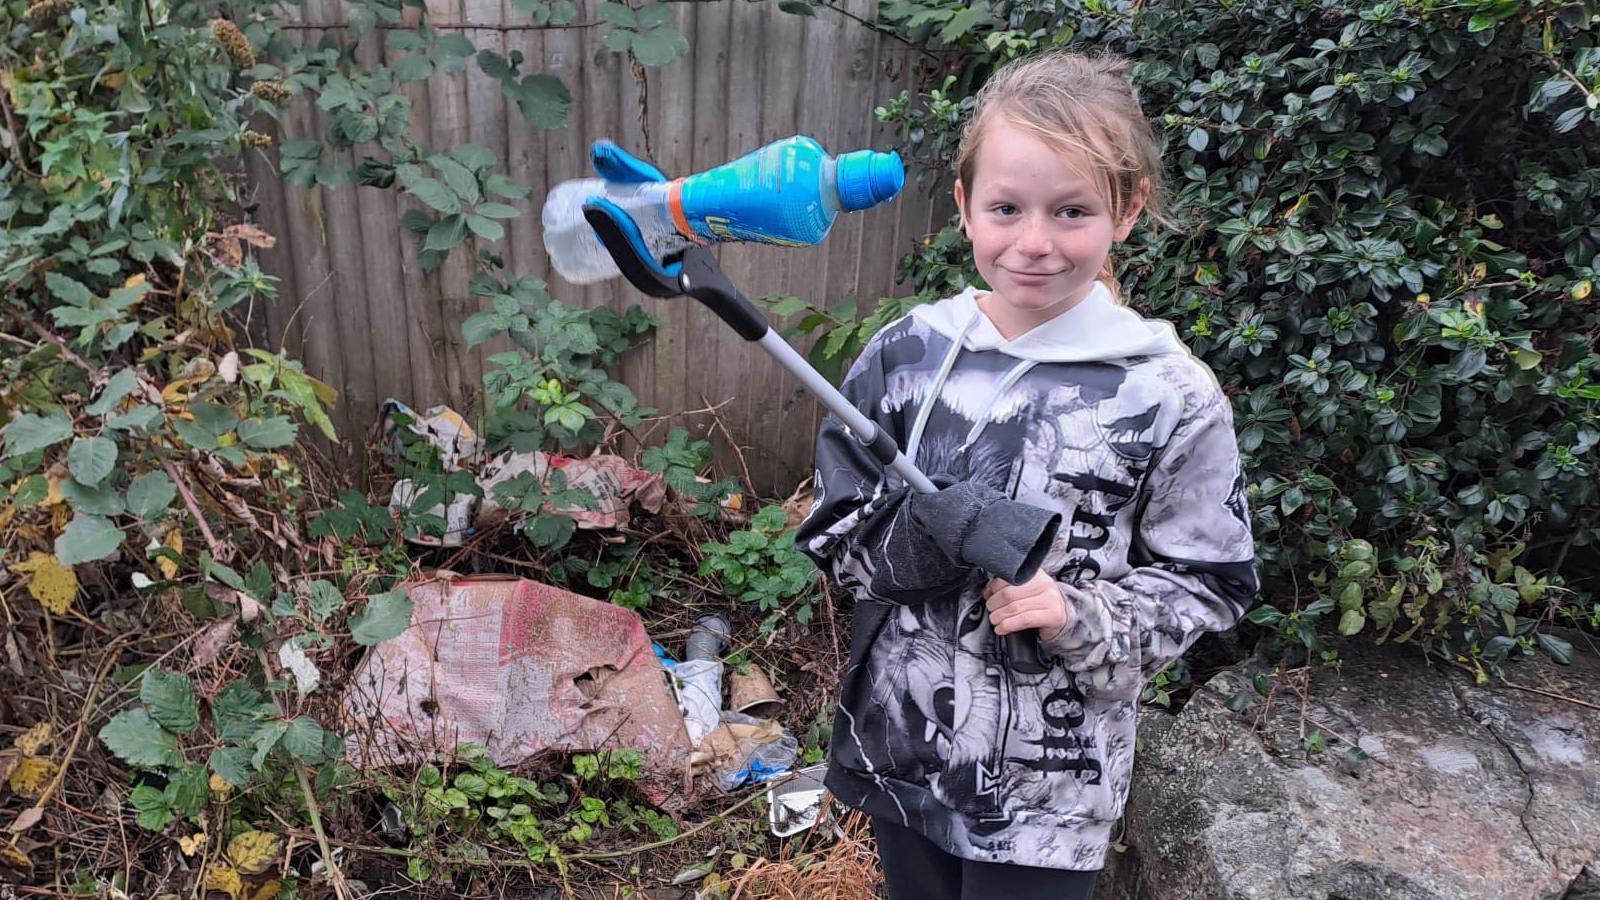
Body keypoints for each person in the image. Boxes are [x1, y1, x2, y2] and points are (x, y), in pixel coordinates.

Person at [796, 50, 1259, 900]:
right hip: (902, 754)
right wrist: (922, 536)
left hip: (1051, 793)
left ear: (1127, 209)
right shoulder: (905, 356)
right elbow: (836, 534)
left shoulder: (1169, 392)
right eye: (1006, 208)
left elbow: (1211, 581)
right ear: (964, 204)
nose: (1035, 242)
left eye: (1072, 211)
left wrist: (1077, 615)